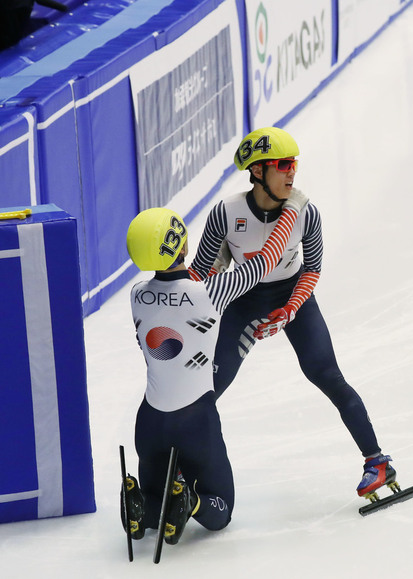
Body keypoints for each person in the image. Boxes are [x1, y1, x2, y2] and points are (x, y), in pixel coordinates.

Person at [189, 127, 396, 500]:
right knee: (208, 391)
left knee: (327, 375)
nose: (292, 173)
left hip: (292, 298)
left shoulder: (306, 213)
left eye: (294, 164)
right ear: (257, 172)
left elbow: (312, 269)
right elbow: (201, 270)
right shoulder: (226, 212)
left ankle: (377, 461)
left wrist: (290, 309)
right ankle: (188, 472)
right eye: (283, 165)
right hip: (244, 301)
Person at [121, 189, 307, 545]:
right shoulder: (211, 293)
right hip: (196, 420)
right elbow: (266, 260)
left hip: (149, 421)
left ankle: (142, 505)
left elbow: (171, 290)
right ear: (180, 244)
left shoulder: (137, 294)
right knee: (221, 512)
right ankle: (191, 502)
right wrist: (293, 208)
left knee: (160, 502)